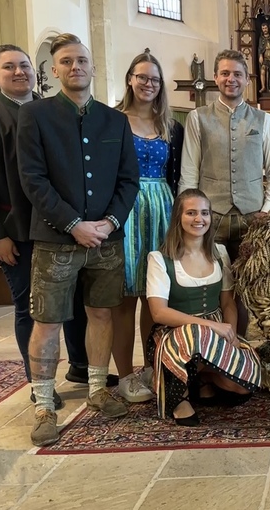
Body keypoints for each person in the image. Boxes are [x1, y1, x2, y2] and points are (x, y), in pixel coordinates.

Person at [0, 44, 107, 409]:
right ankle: (38, 381)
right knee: (32, 307)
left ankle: (80, 365)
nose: (19, 72)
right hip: (18, 230)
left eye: (24, 65)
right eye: (9, 67)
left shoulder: (56, 111)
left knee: (74, 300)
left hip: (63, 226)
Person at [17, 33, 139, 446]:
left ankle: (97, 390)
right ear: (54, 70)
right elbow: (33, 180)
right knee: (48, 321)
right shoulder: (35, 116)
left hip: (107, 239)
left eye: (82, 60)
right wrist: (73, 224)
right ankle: (44, 406)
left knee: (102, 314)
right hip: (56, 239)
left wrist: (109, 222)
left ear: (92, 67)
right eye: (67, 61)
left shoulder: (115, 120)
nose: (75, 67)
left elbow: (129, 180)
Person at [179, 49, 270, 337]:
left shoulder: (263, 120)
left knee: (245, 289)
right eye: (225, 73)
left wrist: (267, 208)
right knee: (208, 285)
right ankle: (210, 345)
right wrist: (187, 215)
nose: (231, 79)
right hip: (209, 217)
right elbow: (189, 172)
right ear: (215, 77)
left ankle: (239, 345)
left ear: (247, 79)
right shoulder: (197, 118)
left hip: (251, 218)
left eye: (237, 74)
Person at [146, 189, 261, 425]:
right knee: (194, 335)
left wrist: (231, 334)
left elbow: (227, 302)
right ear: (178, 217)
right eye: (191, 213)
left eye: (205, 213)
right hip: (175, 334)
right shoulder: (159, 258)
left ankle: (202, 377)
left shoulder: (219, 253)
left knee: (245, 383)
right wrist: (211, 325)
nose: (199, 219)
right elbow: (159, 312)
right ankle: (178, 396)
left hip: (215, 333)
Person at [111, 50, 184, 403]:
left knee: (153, 294)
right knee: (124, 297)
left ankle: (149, 367)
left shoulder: (169, 125)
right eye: (142, 77)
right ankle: (125, 375)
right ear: (130, 79)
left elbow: (177, 174)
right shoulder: (113, 121)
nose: (148, 84)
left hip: (162, 208)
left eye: (154, 79)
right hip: (125, 207)